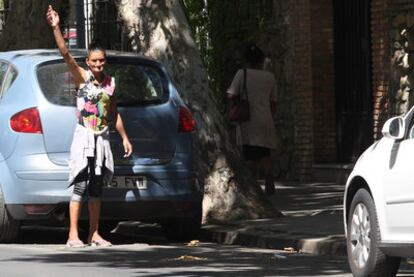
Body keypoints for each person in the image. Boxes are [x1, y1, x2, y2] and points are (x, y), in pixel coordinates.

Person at [46, 5, 133, 247]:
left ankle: (94, 233)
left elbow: (114, 113)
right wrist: (56, 27)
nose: (98, 65)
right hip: (84, 138)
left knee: (96, 188)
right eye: (94, 61)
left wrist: (124, 137)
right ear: (88, 61)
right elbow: (65, 52)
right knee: (81, 184)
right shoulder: (82, 77)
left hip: (102, 138)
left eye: (102, 61)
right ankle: (72, 234)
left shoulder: (111, 84)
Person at [227, 44, 277, 195]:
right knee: (265, 152)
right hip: (266, 118)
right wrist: (270, 114)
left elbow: (231, 94)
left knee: (250, 153)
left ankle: (252, 185)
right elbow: (274, 101)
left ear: (247, 60)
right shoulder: (270, 77)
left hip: (248, 119)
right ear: (261, 60)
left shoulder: (242, 74)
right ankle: (268, 176)